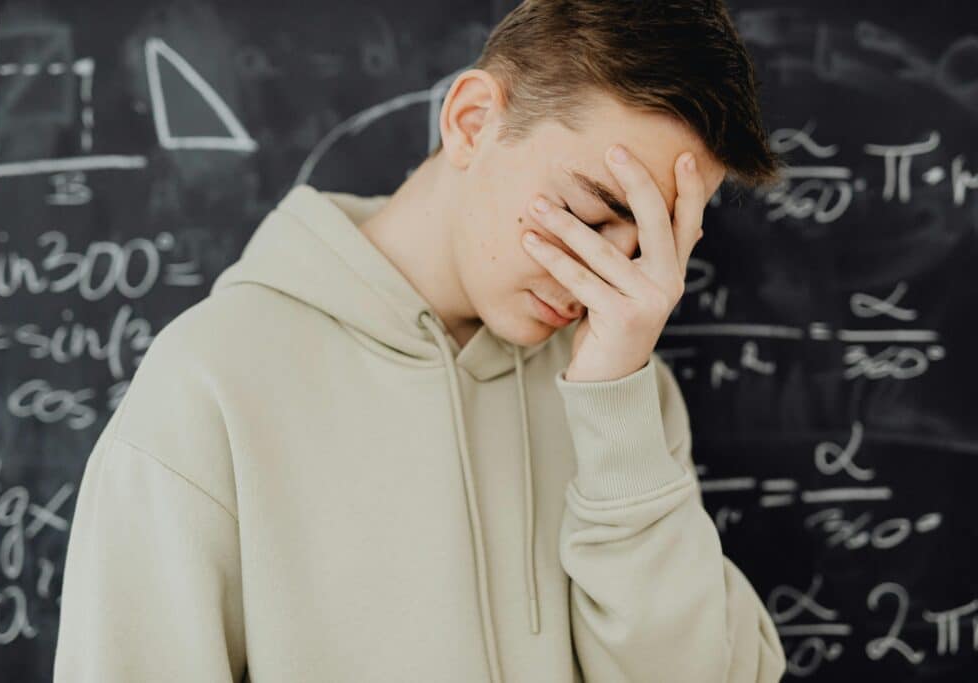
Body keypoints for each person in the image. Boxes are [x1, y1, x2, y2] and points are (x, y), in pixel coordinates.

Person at [52, 0, 788, 681]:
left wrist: (616, 416)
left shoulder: (624, 387)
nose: (607, 283)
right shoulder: (209, 386)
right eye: (589, 216)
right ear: (471, 122)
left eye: (651, 248)